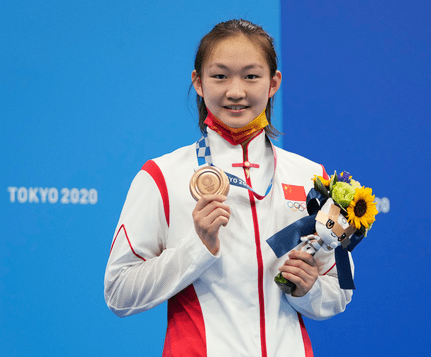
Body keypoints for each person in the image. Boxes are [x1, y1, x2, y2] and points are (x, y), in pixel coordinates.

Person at [104, 19, 353, 357]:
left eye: (251, 76)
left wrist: (307, 291)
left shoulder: (312, 177)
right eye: (220, 76)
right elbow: (118, 293)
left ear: (273, 83)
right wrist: (198, 247)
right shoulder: (161, 175)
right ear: (199, 82)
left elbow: (342, 287)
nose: (236, 91)